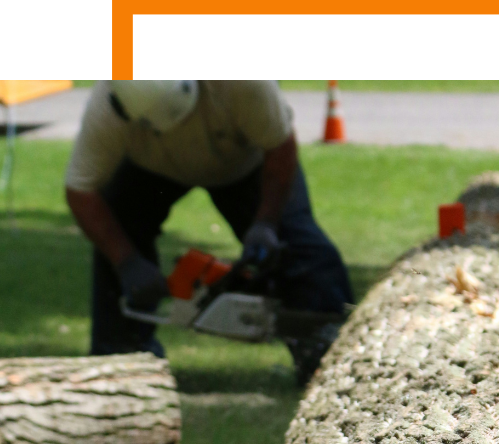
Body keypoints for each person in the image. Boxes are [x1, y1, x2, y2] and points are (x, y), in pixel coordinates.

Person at [65, 80, 353, 383]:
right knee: (116, 230)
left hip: (245, 163)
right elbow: (80, 190)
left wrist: (266, 223)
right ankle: (121, 361)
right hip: (150, 169)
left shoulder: (245, 82)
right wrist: (127, 261)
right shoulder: (109, 101)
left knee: (300, 247)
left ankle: (331, 355)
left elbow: (279, 144)